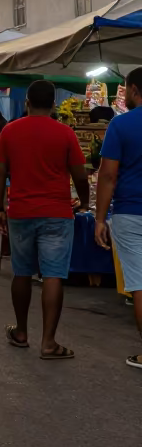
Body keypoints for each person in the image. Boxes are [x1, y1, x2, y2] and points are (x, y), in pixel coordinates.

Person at [0, 79, 89, 359]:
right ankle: (49, 343)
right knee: (53, 275)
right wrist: (84, 202)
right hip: (57, 213)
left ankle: (21, 332)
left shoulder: (9, 132)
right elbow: (80, 175)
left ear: (27, 102)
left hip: (21, 211)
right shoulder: (65, 133)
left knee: (21, 272)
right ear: (54, 104)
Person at [95, 66, 142, 369]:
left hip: (130, 213)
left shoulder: (120, 125)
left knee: (139, 283)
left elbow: (108, 176)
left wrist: (99, 218)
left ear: (135, 91)